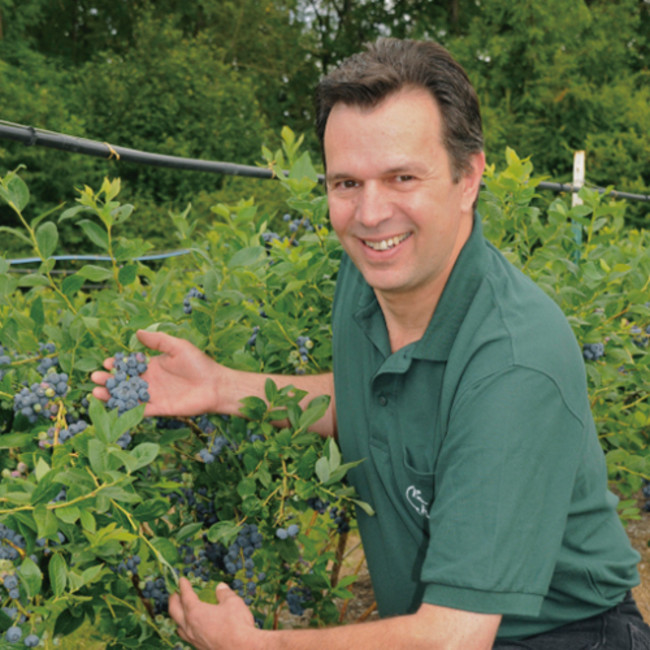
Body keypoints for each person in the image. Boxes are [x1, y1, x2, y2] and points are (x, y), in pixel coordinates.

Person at [91, 38, 650, 649]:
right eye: (346, 183)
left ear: (469, 177)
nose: (370, 213)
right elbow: (379, 402)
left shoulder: (516, 365)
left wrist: (256, 646)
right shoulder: (367, 280)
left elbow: (452, 638)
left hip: (554, 635)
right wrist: (222, 386)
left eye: (402, 176)